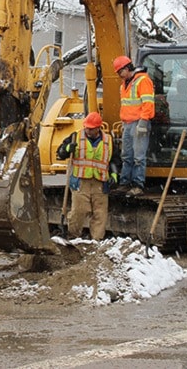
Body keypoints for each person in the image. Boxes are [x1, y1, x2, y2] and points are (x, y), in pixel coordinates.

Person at [56, 112, 120, 241]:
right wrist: (68, 148)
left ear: (98, 128)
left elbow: (115, 159)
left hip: (100, 182)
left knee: (100, 214)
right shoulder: (76, 137)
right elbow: (60, 153)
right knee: (79, 211)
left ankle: (97, 241)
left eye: (91, 128)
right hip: (81, 181)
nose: (88, 130)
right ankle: (73, 236)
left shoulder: (108, 140)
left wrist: (114, 174)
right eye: (86, 127)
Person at [113, 55, 155, 196]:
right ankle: (125, 183)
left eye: (120, 72)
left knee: (138, 156)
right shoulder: (125, 84)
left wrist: (143, 122)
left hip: (138, 123)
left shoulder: (142, 81)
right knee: (127, 155)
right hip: (128, 123)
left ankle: (138, 185)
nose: (119, 75)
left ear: (127, 68)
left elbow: (148, 103)